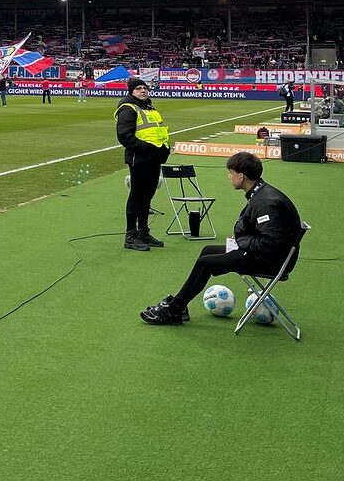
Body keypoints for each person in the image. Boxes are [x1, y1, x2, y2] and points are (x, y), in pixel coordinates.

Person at [140, 150, 304, 325]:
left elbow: (271, 243)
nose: (229, 177)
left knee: (206, 262)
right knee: (207, 251)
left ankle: (174, 309)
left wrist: (241, 242)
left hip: (271, 260)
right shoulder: (260, 193)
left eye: (231, 173)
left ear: (241, 176)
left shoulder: (265, 202)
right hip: (264, 253)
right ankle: (179, 305)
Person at [116, 76, 171, 251]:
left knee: (147, 196)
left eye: (145, 88)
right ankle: (131, 235)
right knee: (137, 196)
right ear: (131, 91)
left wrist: (164, 150)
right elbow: (125, 137)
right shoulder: (128, 108)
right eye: (138, 88)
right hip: (139, 159)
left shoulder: (149, 108)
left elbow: (159, 132)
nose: (143, 91)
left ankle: (143, 232)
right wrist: (148, 149)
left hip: (153, 159)